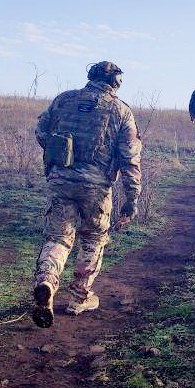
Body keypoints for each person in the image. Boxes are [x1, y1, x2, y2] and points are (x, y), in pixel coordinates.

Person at [30, 61, 142, 329]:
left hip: (61, 180)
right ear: (116, 82)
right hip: (96, 187)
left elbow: (41, 132)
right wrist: (132, 198)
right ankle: (79, 298)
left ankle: (46, 280)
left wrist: (62, 156)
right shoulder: (121, 111)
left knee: (58, 238)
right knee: (93, 238)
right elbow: (130, 159)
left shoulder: (64, 100)